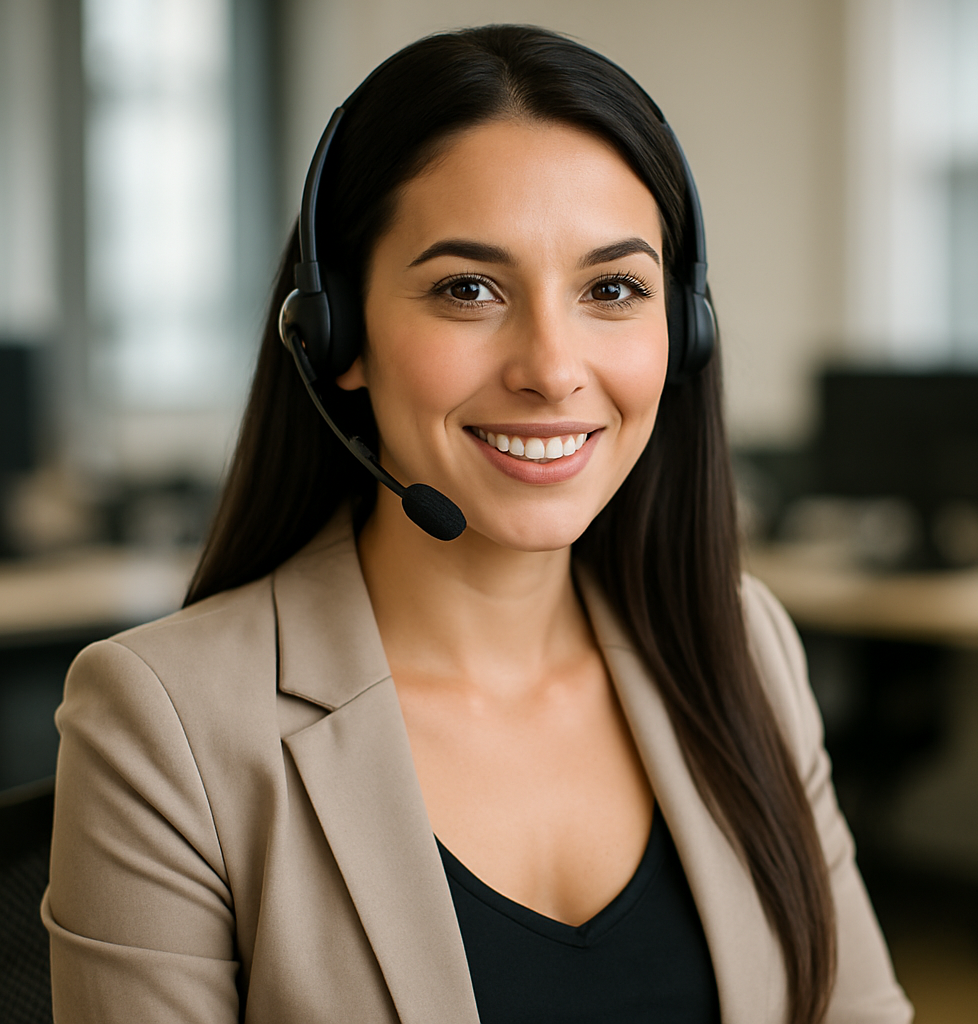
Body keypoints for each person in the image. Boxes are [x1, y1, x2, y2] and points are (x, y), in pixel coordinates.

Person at [42, 24, 912, 1024]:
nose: (549, 366)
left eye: (612, 289)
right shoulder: (166, 723)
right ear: (336, 334)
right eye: (468, 289)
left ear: (683, 329)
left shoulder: (738, 641)